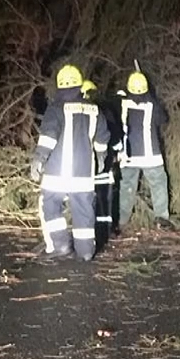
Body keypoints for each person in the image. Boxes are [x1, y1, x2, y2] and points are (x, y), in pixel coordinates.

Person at [30, 64, 110, 261]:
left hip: (58, 172)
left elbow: (49, 136)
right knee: (84, 211)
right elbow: (102, 140)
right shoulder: (94, 109)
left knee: (49, 205)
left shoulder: (56, 108)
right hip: (84, 173)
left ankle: (59, 245)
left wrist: (39, 159)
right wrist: (100, 159)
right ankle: (85, 252)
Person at [117, 70, 174, 231]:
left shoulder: (121, 102)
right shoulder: (152, 104)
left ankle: (122, 221)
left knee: (127, 187)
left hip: (128, 154)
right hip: (151, 155)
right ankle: (161, 219)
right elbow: (163, 118)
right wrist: (152, 97)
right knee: (159, 185)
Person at [81, 79, 119, 245]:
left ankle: (94, 230)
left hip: (87, 164)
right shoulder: (105, 110)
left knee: (90, 199)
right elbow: (115, 134)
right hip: (105, 161)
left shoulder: (82, 112)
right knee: (105, 197)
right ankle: (107, 231)